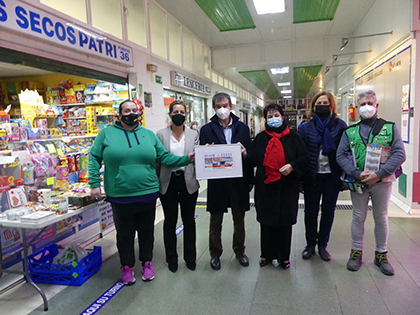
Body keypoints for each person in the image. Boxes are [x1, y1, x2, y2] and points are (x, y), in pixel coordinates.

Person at [88, 100, 195, 285]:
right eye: (127, 110)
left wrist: (186, 159)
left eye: (134, 110)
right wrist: (94, 183)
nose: (131, 113)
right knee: (125, 233)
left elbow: (164, 157)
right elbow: (94, 158)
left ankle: (147, 263)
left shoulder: (148, 135)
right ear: (119, 115)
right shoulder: (106, 134)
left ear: (139, 113)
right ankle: (127, 267)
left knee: (147, 232)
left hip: (148, 192)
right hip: (120, 194)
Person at [336, 90, 405, 276]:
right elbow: (340, 154)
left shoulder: (390, 128)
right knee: (358, 216)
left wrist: (379, 174)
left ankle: (381, 254)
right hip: (358, 182)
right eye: (362, 104)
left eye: (370, 103)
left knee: (381, 217)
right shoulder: (350, 131)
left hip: (382, 182)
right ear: (357, 107)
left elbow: (400, 153)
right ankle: (356, 252)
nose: (366, 107)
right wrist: (356, 173)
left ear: (376, 106)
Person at [246, 103, 310, 269]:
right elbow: (253, 159)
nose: (273, 119)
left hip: (287, 187)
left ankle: (284, 257)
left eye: (276, 115)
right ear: (265, 119)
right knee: (266, 222)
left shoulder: (294, 138)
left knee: (285, 223)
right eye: (269, 116)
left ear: (283, 117)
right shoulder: (260, 138)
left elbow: (304, 158)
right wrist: (245, 153)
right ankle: (266, 255)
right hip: (266, 187)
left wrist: (292, 166)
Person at [199, 92, 252, 270]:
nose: (222, 109)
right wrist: (206, 152)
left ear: (231, 106)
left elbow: (251, 155)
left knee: (239, 220)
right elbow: (202, 158)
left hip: (238, 181)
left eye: (225, 105)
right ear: (214, 108)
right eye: (218, 106)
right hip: (217, 182)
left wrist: (245, 152)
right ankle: (215, 254)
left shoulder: (242, 128)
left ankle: (239, 251)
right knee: (216, 220)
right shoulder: (206, 130)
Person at [298, 92, 347, 261]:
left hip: (332, 177)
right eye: (319, 102)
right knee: (310, 212)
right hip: (312, 176)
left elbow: (346, 152)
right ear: (313, 106)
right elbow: (300, 154)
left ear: (331, 105)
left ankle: (323, 245)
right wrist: (300, 180)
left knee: (328, 211)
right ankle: (310, 244)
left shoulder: (340, 126)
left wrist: (345, 177)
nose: (322, 105)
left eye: (326, 102)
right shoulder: (305, 128)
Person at [156, 100, 199, 273]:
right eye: (175, 112)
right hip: (168, 182)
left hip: (188, 181)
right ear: (170, 114)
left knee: (189, 221)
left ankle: (190, 258)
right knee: (170, 222)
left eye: (182, 112)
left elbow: (198, 158)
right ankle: (171, 259)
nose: (178, 115)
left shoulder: (194, 134)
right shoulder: (160, 135)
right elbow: (158, 161)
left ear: (186, 115)